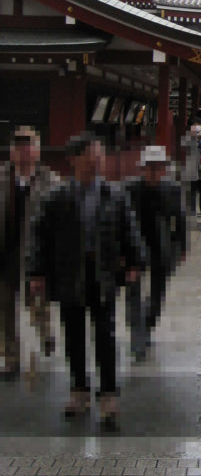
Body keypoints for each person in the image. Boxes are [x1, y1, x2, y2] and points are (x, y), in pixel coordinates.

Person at [28, 133, 146, 429]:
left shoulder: (114, 194)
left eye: (100, 156)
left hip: (102, 272)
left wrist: (135, 262)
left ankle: (107, 394)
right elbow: (39, 234)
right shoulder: (57, 195)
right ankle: (79, 390)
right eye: (92, 155)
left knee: (106, 334)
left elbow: (129, 229)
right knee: (74, 335)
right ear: (75, 159)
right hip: (69, 272)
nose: (97, 161)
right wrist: (36, 271)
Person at [0, 127, 59, 379]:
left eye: (28, 145)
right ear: (12, 152)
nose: (23, 151)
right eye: (18, 146)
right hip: (5, 253)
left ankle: (45, 333)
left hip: (35, 255)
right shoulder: (1, 177)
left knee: (37, 304)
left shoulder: (50, 181)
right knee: (4, 309)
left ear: (37, 150)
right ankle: (11, 359)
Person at [126, 146, 187, 361]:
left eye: (157, 168)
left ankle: (147, 325)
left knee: (157, 294)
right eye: (149, 168)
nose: (152, 172)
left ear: (163, 170)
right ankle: (138, 336)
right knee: (133, 293)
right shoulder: (130, 189)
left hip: (162, 245)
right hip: (134, 246)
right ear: (142, 169)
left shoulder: (172, 189)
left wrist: (182, 246)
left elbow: (179, 219)